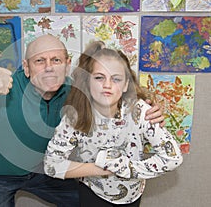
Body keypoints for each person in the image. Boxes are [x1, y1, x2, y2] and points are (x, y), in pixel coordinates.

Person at [0, 35, 164, 207]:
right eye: (40, 61)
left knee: (92, 200)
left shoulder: (77, 91)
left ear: (66, 63)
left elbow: (119, 96)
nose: (49, 68)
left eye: (56, 60)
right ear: (27, 67)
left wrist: (149, 112)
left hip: (47, 172)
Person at [44, 41, 183, 207]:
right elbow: (52, 165)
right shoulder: (75, 117)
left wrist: (127, 168)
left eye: (116, 79)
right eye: (99, 77)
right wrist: (102, 167)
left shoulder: (141, 112)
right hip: (92, 192)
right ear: (88, 81)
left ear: (125, 85)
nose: (107, 85)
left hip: (131, 195)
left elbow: (173, 158)